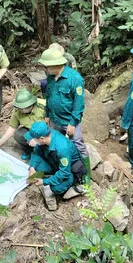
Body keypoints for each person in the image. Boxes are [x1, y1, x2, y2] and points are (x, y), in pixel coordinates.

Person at [37, 48, 91, 182]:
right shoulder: (50, 78)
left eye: (47, 66)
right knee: (56, 144)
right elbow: (49, 97)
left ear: (56, 64)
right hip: (55, 119)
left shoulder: (74, 79)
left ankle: (86, 175)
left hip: (69, 121)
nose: (45, 68)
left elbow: (79, 104)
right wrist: (47, 115)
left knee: (78, 145)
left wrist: (73, 123)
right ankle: (61, 169)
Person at [26, 121, 86, 209]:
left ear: (41, 138)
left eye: (35, 139)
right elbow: (36, 153)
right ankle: (51, 176)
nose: (33, 141)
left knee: (56, 187)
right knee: (36, 166)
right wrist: (32, 167)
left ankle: (70, 185)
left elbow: (64, 173)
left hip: (69, 170)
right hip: (54, 162)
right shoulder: (46, 137)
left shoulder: (62, 148)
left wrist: (44, 182)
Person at [0, 89, 46, 160]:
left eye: (22, 108)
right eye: (19, 107)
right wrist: (0, 141)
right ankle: (29, 152)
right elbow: (12, 128)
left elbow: (53, 126)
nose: (19, 110)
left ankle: (46, 155)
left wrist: (39, 139)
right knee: (19, 134)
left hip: (46, 132)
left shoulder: (44, 106)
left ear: (30, 105)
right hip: (31, 130)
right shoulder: (18, 110)